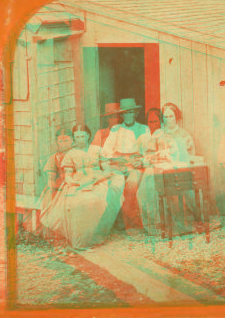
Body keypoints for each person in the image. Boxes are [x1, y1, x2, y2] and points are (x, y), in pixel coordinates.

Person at [39, 123, 125, 249]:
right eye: (77, 137)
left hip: (98, 180)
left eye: (82, 136)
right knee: (76, 203)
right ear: (74, 138)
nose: (80, 140)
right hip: (78, 182)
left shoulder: (97, 149)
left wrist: (99, 178)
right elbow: (68, 175)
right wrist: (74, 182)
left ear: (88, 136)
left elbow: (106, 169)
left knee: (99, 200)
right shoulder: (71, 153)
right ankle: (81, 240)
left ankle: (96, 237)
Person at [138, 103, 197, 236]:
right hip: (160, 167)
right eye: (165, 117)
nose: (168, 119)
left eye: (171, 116)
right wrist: (154, 158)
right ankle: (158, 224)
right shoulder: (159, 133)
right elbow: (151, 151)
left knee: (176, 188)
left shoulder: (183, 134)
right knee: (147, 187)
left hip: (178, 167)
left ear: (177, 117)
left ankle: (178, 225)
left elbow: (190, 154)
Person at [102, 98, 151, 230]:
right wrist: (120, 161)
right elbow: (106, 152)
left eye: (131, 112)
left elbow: (149, 153)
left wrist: (140, 162)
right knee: (115, 185)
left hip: (137, 167)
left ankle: (131, 223)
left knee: (131, 184)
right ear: (122, 115)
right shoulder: (116, 129)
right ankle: (115, 222)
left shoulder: (144, 129)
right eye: (125, 113)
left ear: (135, 113)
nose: (128, 116)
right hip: (118, 166)